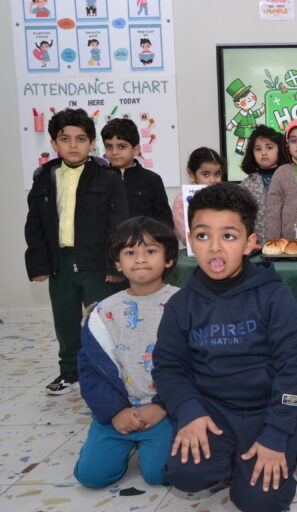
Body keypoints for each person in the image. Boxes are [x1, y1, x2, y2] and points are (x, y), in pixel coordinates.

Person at [152, 183, 297, 512]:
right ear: (190, 240)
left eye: (229, 236)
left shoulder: (275, 297)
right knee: (185, 475)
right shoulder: (180, 305)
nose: (215, 248)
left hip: (267, 412)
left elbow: (293, 370)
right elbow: (168, 367)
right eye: (203, 235)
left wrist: (276, 434)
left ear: (250, 243)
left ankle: (263, 457)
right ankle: (230, 460)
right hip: (212, 412)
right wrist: (189, 411)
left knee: (258, 503)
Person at [25, 108, 129, 395]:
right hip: (60, 262)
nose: (73, 145)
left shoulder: (108, 177)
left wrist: (114, 264)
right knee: (65, 320)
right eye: (65, 139)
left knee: (103, 319)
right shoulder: (44, 177)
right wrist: (39, 263)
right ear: (54, 143)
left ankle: (111, 371)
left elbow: (119, 223)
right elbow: (34, 223)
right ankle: (69, 371)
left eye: (80, 139)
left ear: (92, 143)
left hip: (97, 262)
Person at [74, 216, 179, 488]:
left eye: (151, 251)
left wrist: (162, 406)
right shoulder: (102, 313)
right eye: (130, 252)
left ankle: (151, 445)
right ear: (118, 263)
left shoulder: (184, 305)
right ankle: (124, 443)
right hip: (117, 411)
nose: (140, 259)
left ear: (169, 259)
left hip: (164, 411)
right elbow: (90, 372)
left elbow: (194, 365)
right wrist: (115, 411)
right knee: (91, 477)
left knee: (159, 474)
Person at [101, 118, 172, 228]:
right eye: (109, 146)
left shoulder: (152, 179)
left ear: (136, 150)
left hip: (143, 238)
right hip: (109, 239)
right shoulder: (99, 178)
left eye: (121, 146)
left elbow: (164, 220)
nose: (114, 152)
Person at [240, 125, 289, 245]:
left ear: (280, 149)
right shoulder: (245, 185)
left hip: (285, 245)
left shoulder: (289, 179)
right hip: (254, 247)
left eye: (269, 147)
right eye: (258, 149)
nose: (264, 153)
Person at [171, 147, 225, 245]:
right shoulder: (182, 200)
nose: (213, 180)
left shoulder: (225, 196)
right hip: (196, 247)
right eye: (206, 174)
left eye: (217, 174)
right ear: (191, 174)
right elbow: (182, 231)